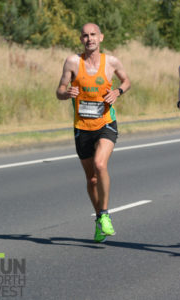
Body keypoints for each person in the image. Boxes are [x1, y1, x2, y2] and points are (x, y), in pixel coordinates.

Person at [56, 23, 131, 242]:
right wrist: (66, 92)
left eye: (93, 35)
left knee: (100, 165)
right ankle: (99, 218)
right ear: (81, 39)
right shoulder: (72, 62)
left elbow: (127, 81)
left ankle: (106, 215)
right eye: (85, 36)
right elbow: (59, 91)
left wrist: (117, 91)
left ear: (101, 37)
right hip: (82, 127)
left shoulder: (112, 62)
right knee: (92, 180)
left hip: (106, 122)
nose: (90, 39)